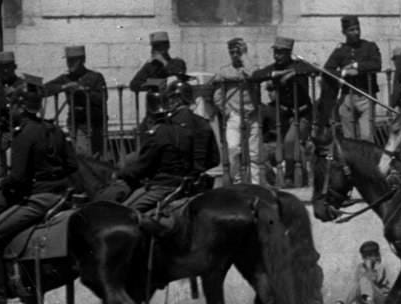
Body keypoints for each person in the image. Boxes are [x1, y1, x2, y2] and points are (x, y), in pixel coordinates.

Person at [0, 82, 78, 304]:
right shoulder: (54, 130)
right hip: (62, 197)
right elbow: (72, 165)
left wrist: (2, 183)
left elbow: (18, 179)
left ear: (21, 107)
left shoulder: (24, 134)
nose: (9, 110)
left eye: (12, 105)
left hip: (38, 200)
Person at [113, 76, 219, 231]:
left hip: (166, 185)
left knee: (123, 214)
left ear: (175, 99)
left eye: (170, 99)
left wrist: (121, 173)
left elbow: (146, 165)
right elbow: (214, 160)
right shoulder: (203, 123)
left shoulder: (166, 127)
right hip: (198, 185)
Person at [251, 37, 315, 186]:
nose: (277, 56)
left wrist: (293, 73)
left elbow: (312, 69)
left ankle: (290, 175)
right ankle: (295, 178)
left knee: (290, 141)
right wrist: (276, 75)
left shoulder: (299, 65)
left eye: (280, 53)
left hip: (302, 113)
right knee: (284, 145)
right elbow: (256, 75)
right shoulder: (274, 68)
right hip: (285, 114)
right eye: (276, 52)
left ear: (288, 53)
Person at [208, 36, 260, 185]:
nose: (235, 55)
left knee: (254, 153)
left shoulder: (251, 67)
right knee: (233, 149)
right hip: (235, 114)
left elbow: (254, 75)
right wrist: (227, 111)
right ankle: (236, 181)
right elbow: (217, 96)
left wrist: (245, 57)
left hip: (252, 113)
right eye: (232, 52)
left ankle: (255, 183)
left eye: (238, 52)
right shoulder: (224, 71)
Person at [42, 44, 108, 158]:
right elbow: (44, 89)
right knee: (83, 155)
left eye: (73, 60)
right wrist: (63, 87)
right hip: (76, 122)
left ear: (82, 60)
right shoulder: (66, 78)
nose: (69, 64)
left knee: (96, 155)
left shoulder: (95, 77)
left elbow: (102, 97)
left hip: (94, 122)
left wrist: (83, 91)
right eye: (68, 60)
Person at [325, 15, 383, 142]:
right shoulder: (340, 50)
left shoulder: (369, 46)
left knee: (367, 137)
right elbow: (328, 69)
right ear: (344, 32)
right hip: (347, 97)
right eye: (351, 30)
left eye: (357, 29)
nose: (356, 32)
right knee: (348, 138)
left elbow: (376, 64)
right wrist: (343, 73)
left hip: (366, 95)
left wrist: (356, 67)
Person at [130, 31, 187, 122]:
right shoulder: (150, 65)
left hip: (174, 107)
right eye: (155, 47)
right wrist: (154, 83)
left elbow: (178, 76)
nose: (156, 50)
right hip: (156, 108)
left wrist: (163, 63)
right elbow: (134, 84)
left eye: (160, 46)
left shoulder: (177, 63)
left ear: (167, 46)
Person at [326, 239, 387, 304]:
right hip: (365, 300)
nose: (373, 258)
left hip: (380, 299)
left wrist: (370, 268)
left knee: (364, 279)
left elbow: (374, 280)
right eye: (367, 257)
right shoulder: (360, 267)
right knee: (355, 284)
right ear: (363, 257)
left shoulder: (380, 267)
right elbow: (357, 286)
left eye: (375, 255)